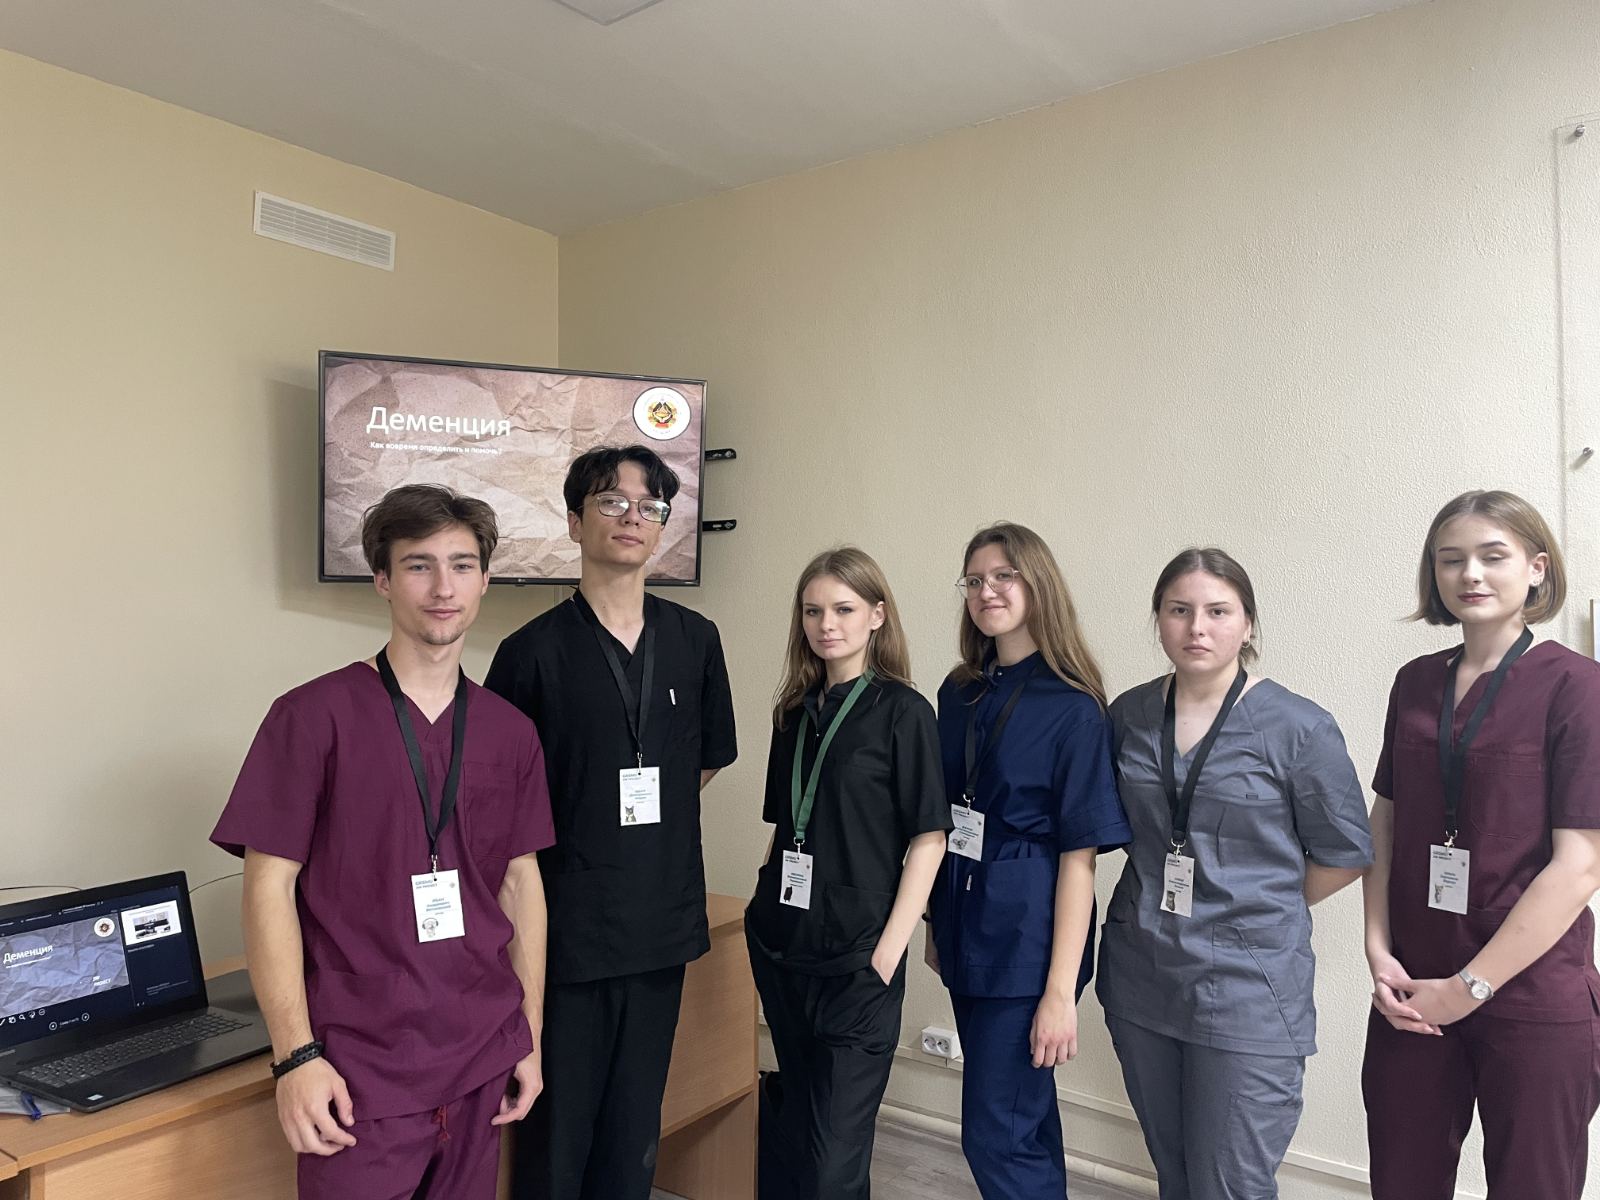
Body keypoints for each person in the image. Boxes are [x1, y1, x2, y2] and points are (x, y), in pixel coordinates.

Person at [211, 484, 554, 1200]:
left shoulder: (510, 731)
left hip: (480, 1058)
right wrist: (295, 1057)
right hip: (357, 1070)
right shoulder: (311, 717)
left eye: (462, 565)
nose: (443, 588)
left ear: (485, 580)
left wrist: (528, 1035)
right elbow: (267, 886)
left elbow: (519, 881)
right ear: (383, 580)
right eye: (419, 565)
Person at [485, 444, 737, 1200]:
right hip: (566, 931)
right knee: (557, 1136)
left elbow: (704, 761)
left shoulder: (695, 640)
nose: (632, 517)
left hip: (659, 921)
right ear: (574, 521)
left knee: (634, 1132)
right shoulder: (529, 654)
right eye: (611, 502)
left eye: (649, 507)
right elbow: (500, 799)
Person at [1097, 547, 1372, 1200]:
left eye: (1218, 611)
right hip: (1142, 973)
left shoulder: (1299, 727)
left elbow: (1345, 853)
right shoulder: (1129, 715)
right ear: (1159, 620)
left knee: (1230, 1184)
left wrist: (1258, 905)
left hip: (1251, 987)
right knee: (1175, 1173)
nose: (1197, 627)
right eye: (1179, 610)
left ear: (1248, 623)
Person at [1361, 490, 1600, 1200]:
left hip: (1531, 995)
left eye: (1493, 556)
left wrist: (1470, 988)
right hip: (1412, 988)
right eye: (1451, 559)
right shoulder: (1415, 683)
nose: (1470, 574)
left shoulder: (1578, 688)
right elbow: (1385, 822)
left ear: (1536, 568)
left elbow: (1581, 864)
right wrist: (1377, 948)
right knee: (1401, 1183)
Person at [926, 522, 1131, 1199]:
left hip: (1027, 945)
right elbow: (944, 817)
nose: (987, 591)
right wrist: (934, 924)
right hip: (963, 922)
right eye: (975, 580)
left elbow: (1080, 861)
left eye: (1004, 576)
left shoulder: (1074, 707)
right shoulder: (958, 692)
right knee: (1023, 1118)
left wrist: (1058, 994)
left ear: (1037, 584)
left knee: (994, 1132)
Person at [744, 547, 950, 1200]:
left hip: (859, 960)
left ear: (877, 616)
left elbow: (929, 837)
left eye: (843, 609)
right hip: (785, 948)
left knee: (835, 1155)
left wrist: (889, 950)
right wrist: (762, 914)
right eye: (813, 611)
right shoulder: (793, 711)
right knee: (796, 1129)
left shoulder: (905, 712)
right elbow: (787, 826)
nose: (826, 624)